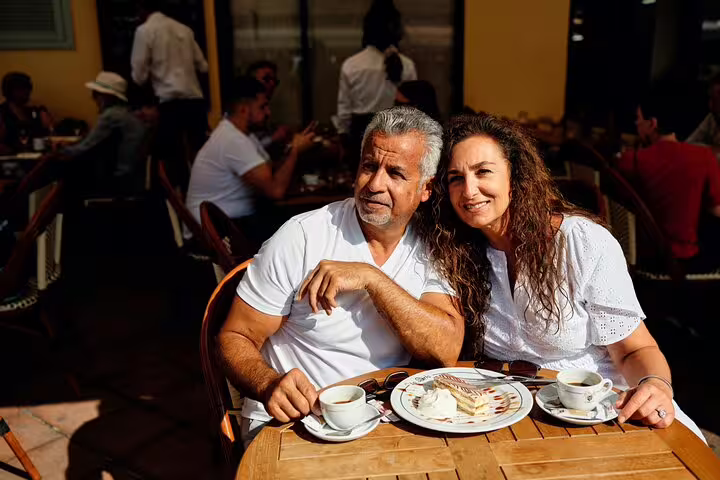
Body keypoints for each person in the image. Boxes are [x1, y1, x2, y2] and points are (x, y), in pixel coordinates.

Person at [415, 112, 705, 440]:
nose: (469, 190)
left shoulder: (580, 242)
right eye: (455, 177)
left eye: (484, 172)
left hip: (600, 411)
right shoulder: (453, 250)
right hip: (507, 414)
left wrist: (654, 385)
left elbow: (634, 350)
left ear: (515, 177)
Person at [219, 106, 463, 448]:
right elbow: (234, 336)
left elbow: (445, 349)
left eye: (395, 173)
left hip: (381, 424)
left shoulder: (432, 246)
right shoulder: (303, 236)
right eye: (369, 166)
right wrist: (267, 384)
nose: (375, 184)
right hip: (291, 426)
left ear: (426, 189)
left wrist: (371, 279)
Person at [185, 77, 315, 246]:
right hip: (216, 233)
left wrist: (292, 147)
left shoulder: (243, 135)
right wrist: (295, 150)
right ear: (244, 110)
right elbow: (275, 190)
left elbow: (269, 170)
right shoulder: (232, 139)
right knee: (298, 232)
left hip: (230, 222)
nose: (268, 112)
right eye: (262, 107)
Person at [615, 94, 720, 272]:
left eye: (639, 119)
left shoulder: (630, 161)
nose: (637, 125)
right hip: (687, 262)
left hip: (642, 262)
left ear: (652, 123)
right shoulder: (705, 158)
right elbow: (717, 210)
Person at [131, 0, 209, 185]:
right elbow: (203, 66)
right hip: (195, 101)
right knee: (200, 157)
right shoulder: (185, 29)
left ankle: (178, 205)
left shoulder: (145, 31)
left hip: (170, 103)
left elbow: (139, 76)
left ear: (141, 9)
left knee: (171, 160)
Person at [335, 0, 417, 166]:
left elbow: (344, 112)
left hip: (361, 136)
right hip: (397, 137)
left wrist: (343, 140)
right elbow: (414, 110)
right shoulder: (406, 65)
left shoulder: (352, 65)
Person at [61, 72, 147, 196]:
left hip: (120, 181)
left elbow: (84, 148)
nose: (93, 98)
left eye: (96, 94)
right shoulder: (125, 113)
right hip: (134, 177)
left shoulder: (111, 115)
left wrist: (59, 150)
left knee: (64, 174)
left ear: (106, 96)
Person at [0, 72, 53, 154]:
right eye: (21, 89)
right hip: (13, 159)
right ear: (9, 91)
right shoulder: (3, 112)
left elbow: (48, 132)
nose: (27, 92)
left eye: (28, 88)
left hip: (36, 156)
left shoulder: (32, 112)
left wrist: (43, 112)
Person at [246, 60, 291, 152]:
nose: (272, 84)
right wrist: (273, 138)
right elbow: (247, 150)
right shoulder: (245, 107)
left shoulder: (268, 106)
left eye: (274, 81)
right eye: (266, 79)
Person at [687, 73, 720, 148]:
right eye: (711, 98)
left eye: (716, 99)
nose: (710, 105)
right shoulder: (711, 117)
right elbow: (689, 143)